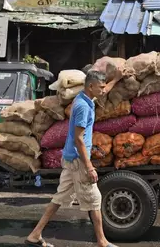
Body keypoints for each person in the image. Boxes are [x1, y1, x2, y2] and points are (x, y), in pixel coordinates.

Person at [25, 70, 117, 247]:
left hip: (69, 158)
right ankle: (102, 242)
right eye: (101, 87)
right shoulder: (83, 107)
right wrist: (89, 166)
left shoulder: (85, 98)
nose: (103, 90)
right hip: (78, 160)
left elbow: (104, 91)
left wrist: (117, 78)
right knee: (95, 199)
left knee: (59, 198)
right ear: (91, 87)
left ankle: (35, 234)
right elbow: (79, 139)